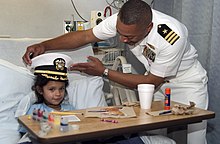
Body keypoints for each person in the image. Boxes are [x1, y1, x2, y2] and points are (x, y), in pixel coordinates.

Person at [22, 0, 208, 143]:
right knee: (150, 134)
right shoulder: (122, 21)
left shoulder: (171, 37)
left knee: (196, 136)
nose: (122, 39)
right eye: (119, 32)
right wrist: (44, 45)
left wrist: (103, 72)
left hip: (185, 82)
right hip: (152, 84)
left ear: (148, 28)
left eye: (129, 36)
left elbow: (152, 81)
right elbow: (86, 36)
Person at [18, 53, 74, 144]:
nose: (58, 94)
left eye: (61, 88)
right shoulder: (36, 110)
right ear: (40, 90)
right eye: (52, 89)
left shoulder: (70, 109)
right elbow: (25, 130)